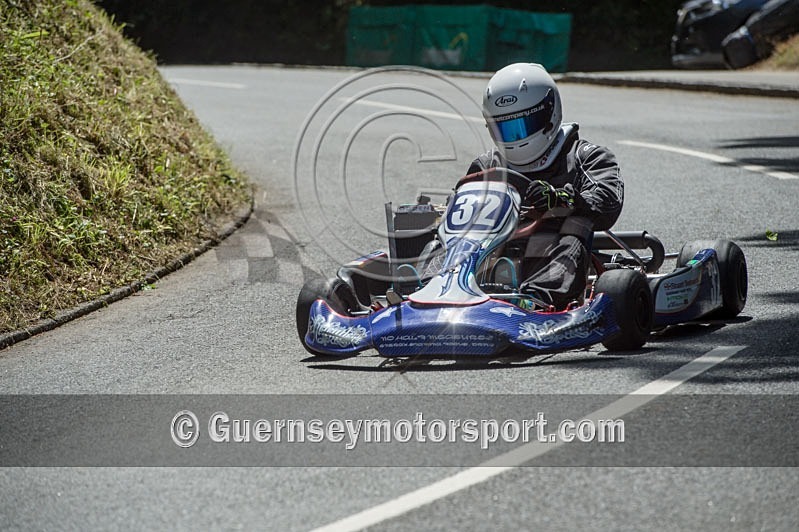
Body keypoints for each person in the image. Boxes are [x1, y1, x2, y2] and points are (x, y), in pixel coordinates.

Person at [467, 63, 624, 310]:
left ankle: (534, 302)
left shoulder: (584, 156)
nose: (515, 138)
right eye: (505, 129)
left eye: (522, 126)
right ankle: (424, 290)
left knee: (572, 233)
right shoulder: (487, 165)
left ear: (548, 113)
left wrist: (562, 198)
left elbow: (607, 201)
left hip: (551, 252)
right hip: (490, 251)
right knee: (442, 240)